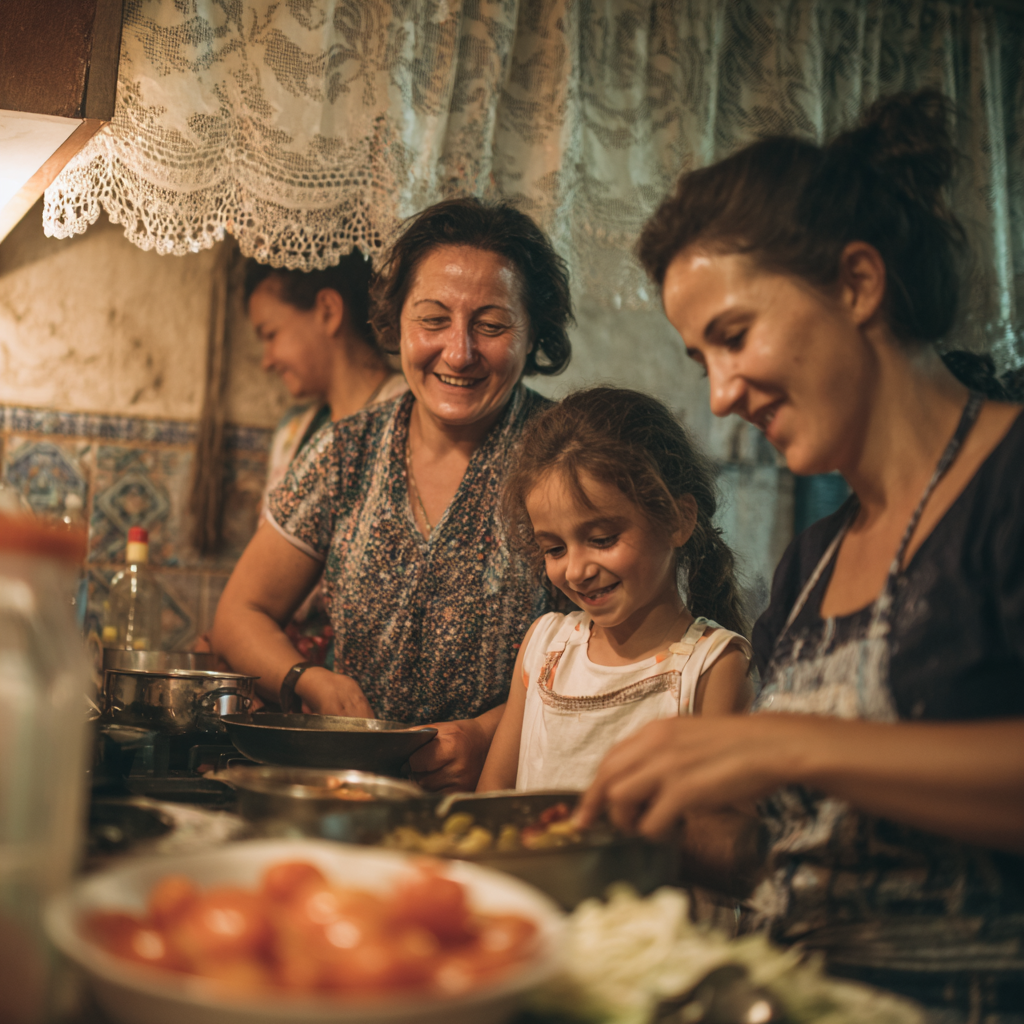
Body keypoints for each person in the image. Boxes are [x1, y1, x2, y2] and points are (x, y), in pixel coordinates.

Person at [576, 91, 1024, 1017]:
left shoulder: (1008, 481)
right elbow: (802, 852)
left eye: (734, 337)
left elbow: (815, 759)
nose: (723, 396)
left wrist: (785, 741)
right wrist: (618, 836)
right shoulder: (813, 561)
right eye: (703, 360)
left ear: (858, 284)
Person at [212, 197, 574, 791]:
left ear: (533, 334)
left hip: (508, 805)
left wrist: (489, 733)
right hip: (355, 797)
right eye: (433, 319)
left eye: (491, 325)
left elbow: (610, 653)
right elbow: (238, 614)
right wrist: (307, 679)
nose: (458, 352)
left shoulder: (568, 459)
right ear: (395, 320)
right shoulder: (344, 453)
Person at [477, 387, 752, 792]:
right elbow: (489, 802)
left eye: (603, 539)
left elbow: (717, 829)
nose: (576, 571)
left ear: (678, 519)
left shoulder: (712, 666)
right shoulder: (543, 647)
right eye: (554, 548)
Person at [244, 255, 407, 665]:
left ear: (328, 311)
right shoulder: (294, 434)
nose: (266, 359)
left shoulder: (409, 416)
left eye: (271, 333)